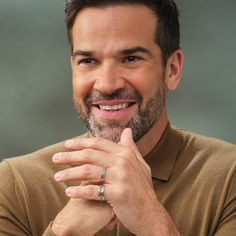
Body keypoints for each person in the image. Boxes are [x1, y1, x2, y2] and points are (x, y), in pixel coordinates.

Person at [0, 0, 236, 235]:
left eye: (131, 59)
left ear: (172, 69)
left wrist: (152, 221)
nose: (107, 84)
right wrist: (64, 232)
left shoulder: (229, 178)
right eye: (88, 61)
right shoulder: (14, 185)